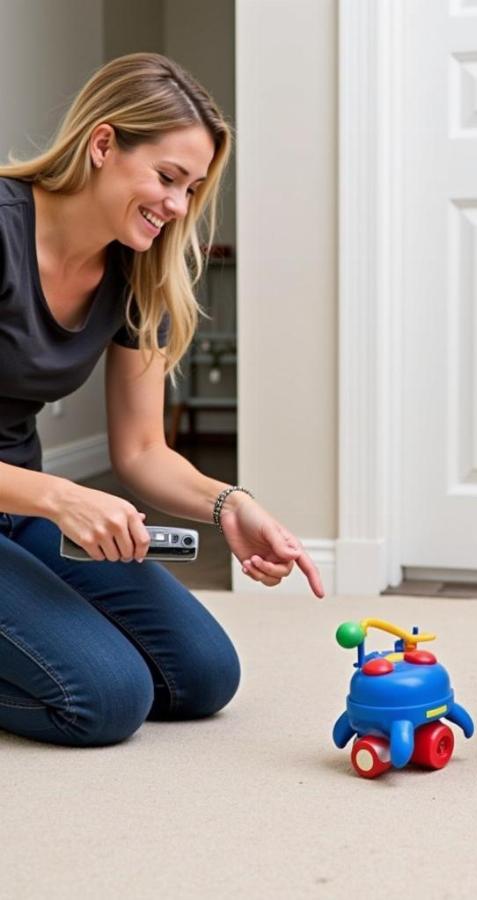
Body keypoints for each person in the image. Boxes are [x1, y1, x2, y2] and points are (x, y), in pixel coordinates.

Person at [0, 53, 324, 748]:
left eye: (193, 188)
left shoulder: (139, 271)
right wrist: (60, 498)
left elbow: (143, 450)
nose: (178, 207)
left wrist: (230, 505)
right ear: (104, 143)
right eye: (168, 178)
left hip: (17, 511)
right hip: (31, 503)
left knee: (202, 675)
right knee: (103, 700)